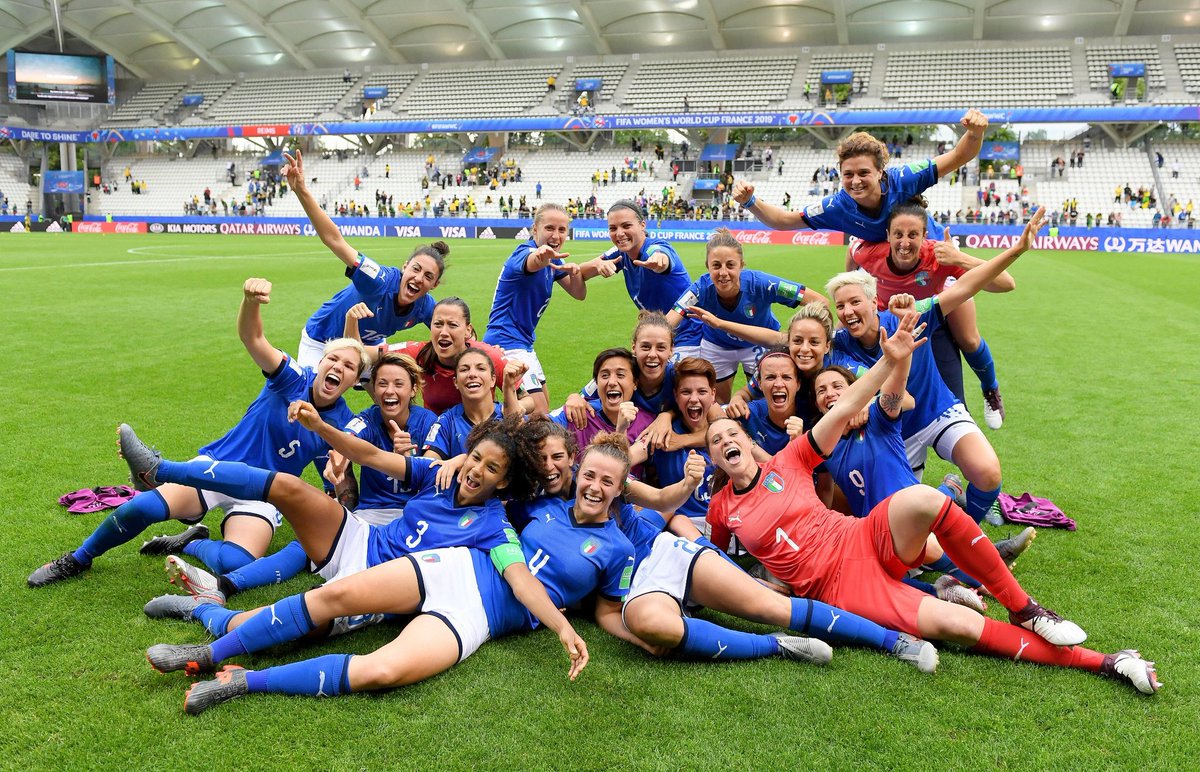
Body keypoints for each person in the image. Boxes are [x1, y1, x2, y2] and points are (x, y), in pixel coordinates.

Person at [705, 314, 1159, 694]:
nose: (726, 439)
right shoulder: (721, 508)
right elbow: (722, 560)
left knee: (921, 498)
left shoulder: (790, 458)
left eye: (731, 433)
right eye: (716, 440)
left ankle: (1026, 609)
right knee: (958, 628)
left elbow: (843, 410)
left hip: (861, 535)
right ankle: (1105, 662)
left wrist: (890, 359)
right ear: (715, 459)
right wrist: (763, 582)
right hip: (839, 588)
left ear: (746, 441)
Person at [144, 433, 651, 715]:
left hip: (480, 618)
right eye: (590, 474)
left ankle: (242, 677)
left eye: (609, 481)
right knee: (330, 599)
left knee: (380, 671)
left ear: (622, 487)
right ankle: (209, 647)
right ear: (580, 473)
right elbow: (520, 452)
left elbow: (538, 582)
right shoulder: (539, 509)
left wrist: (573, 627)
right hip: (446, 570)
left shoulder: (520, 523)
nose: (595, 486)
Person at [28, 279, 365, 587]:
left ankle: (191, 539)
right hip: (217, 467)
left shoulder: (341, 426)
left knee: (236, 562)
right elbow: (254, 338)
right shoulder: (293, 377)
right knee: (140, 509)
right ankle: (77, 559)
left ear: (353, 382)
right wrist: (250, 302)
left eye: (349, 366)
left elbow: (339, 489)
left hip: (262, 493)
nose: (338, 367)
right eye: (332, 359)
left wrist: (341, 492)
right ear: (320, 363)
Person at [129, 414, 541, 642]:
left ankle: (203, 611)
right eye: (475, 458)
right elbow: (373, 456)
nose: (476, 471)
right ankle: (160, 470)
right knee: (288, 486)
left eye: (492, 469)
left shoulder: (493, 526)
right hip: (359, 539)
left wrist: (560, 628)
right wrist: (321, 429)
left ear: (503, 481)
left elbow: (520, 580)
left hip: (377, 586)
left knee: (280, 620)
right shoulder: (439, 473)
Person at [150, 352, 439, 607]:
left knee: (380, 574)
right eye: (382, 384)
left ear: (413, 389)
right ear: (373, 391)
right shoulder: (365, 419)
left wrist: (411, 457)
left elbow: (436, 468)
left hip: (416, 517)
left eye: (398, 384)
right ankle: (223, 586)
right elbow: (346, 441)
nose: (389, 390)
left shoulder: (430, 422)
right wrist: (338, 463)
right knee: (304, 545)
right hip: (371, 516)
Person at [849, 198, 1015, 426]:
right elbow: (852, 252)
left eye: (913, 235)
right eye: (898, 234)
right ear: (887, 235)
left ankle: (990, 390)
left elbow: (1006, 283)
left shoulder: (937, 257)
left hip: (938, 301)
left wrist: (959, 257)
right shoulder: (870, 253)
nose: (904, 243)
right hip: (897, 317)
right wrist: (852, 283)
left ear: (925, 235)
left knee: (968, 338)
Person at [284, 149, 442, 368]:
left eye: (428, 276)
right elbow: (335, 240)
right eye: (415, 269)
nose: (418, 278)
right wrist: (301, 190)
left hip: (367, 344)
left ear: (435, 284)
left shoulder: (425, 306)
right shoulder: (378, 278)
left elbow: (452, 329)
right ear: (404, 267)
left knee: (390, 390)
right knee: (314, 395)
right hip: (323, 340)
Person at [734, 110, 989, 241]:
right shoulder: (837, 206)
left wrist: (975, 133)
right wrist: (750, 202)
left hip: (933, 252)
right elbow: (785, 221)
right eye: (848, 174)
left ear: (881, 171)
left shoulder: (904, 179)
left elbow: (958, 156)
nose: (855, 181)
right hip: (892, 272)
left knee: (965, 334)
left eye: (864, 172)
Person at [667, 228, 823, 402]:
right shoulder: (700, 288)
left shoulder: (763, 284)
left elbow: (819, 302)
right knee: (718, 404)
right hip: (718, 346)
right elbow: (671, 320)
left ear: (741, 265)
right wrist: (657, 344)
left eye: (731, 265)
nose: (723, 273)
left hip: (760, 343)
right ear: (708, 267)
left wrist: (798, 334)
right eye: (716, 265)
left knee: (765, 402)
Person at [483, 203, 585, 416]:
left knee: (542, 412)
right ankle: (492, 426)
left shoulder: (552, 262)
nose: (556, 235)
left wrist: (581, 270)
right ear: (535, 229)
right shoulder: (524, 253)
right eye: (549, 228)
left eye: (562, 230)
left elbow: (578, 293)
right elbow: (532, 261)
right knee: (537, 412)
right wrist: (540, 256)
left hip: (524, 344)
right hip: (506, 344)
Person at [581, 200, 702, 359]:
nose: (619, 233)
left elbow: (661, 255)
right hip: (659, 336)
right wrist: (596, 264)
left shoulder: (653, 248)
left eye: (626, 226)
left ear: (642, 225)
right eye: (613, 228)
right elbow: (582, 271)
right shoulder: (620, 253)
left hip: (688, 334)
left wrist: (659, 261)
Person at [359, 297, 507, 415]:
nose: (443, 332)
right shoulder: (418, 352)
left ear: (468, 330)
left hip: (481, 432)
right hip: (435, 437)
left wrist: (499, 412)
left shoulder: (489, 357)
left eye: (452, 325)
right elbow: (359, 353)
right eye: (438, 324)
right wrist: (351, 319)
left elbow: (529, 400)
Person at [550, 348, 654, 475]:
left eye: (620, 375)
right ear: (597, 384)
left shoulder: (649, 425)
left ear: (635, 383)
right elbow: (531, 428)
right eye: (605, 375)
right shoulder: (577, 412)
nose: (611, 382)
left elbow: (615, 470)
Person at [423, 349, 521, 460]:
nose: (472, 374)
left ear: (493, 380)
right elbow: (428, 464)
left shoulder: (509, 414)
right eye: (464, 369)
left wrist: (509, 389)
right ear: (456, 382)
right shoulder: (447, 422)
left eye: (481, 368)